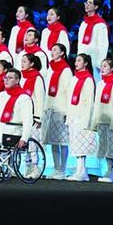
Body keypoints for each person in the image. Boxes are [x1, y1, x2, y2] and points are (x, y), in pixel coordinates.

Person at [43, 43, 73, 180]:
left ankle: (63, 168)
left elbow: (68, 91)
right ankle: (56, 168)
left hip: (61, 108)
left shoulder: (66, 70)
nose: (52, 52)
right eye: (52, 49)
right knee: (53, 141)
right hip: (50, 107)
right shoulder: (51, 68)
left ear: (62, 53)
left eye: (55, 50)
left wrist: (67, 111)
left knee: (62, 141)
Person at [65, 53, 96, 182]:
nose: (76, 63)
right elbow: (69, 99)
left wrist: (86, 119)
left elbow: (89, 101)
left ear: (86, 63)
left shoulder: (88, 79)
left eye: (79, 61)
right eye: (76, 61)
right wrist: (68, 116)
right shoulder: (74, 79)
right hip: (73, 115)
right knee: (75, 145)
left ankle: (82, 170)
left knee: (82, 145)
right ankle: (79, 170)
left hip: (82, 117)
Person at [92, 58, 113, 183]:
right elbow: (97, 104)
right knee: (105, 148)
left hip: (112, 120)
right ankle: (109, 170)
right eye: (101, 66)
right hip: (102, 120)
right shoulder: (100, 83)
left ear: (112, 69)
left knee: (112, 148)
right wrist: (95, 121)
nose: (102, 68)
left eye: (105, 66)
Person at [20, 53, 46, 178]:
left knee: (33, 143)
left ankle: (36, 167)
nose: (22, 64)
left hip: (34, 116)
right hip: (23, 115)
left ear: (32, 64)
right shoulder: (22, 77)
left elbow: (40, 98)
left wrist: (38, 117)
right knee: (24, 142)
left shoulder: (37, 78)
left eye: (25, 62)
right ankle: (27, 167)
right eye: (22, 61)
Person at [78, 0, 109, 81]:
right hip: (83, 56)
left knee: (94, 80)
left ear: (96, 7)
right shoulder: (83, 23)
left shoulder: (100, 24)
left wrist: (100, 62)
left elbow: (103, 45)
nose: (86, 5)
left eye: (90, 3)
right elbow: (80, 43)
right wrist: (79, 56)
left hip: (95, 58)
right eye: (86, 3)